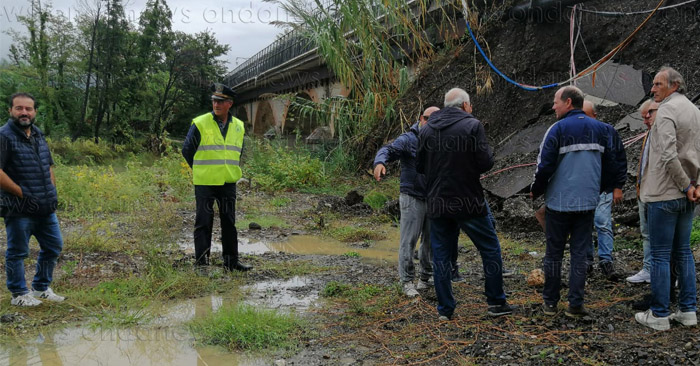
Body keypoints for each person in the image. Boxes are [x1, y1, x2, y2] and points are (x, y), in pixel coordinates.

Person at [417, 87, 514, 320]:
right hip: (468, 201)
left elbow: (420, 167)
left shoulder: (427, 130)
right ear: (465, 105)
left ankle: (445, 310)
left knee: (441, 255)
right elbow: (485, 163)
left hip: (438, 203)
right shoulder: (472, 126)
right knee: (489, 249)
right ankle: (496, 303)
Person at [530, 86, 614, 318]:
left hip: (559, 203)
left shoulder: (557, 129)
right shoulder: (601, 129)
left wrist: (535, 190)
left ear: (568, 102)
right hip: (587, 203)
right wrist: (600, 189)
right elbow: (610, 164)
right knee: (579, 253)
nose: (553, 106)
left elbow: (544, 165)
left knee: (554, 253)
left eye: (556, 102)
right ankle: (575, 304)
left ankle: (550, 303)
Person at [636, 67, 699, 330]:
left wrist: (685, 185)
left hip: (665, 193)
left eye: (658, 84)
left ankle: (659, 314)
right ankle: (688, 311)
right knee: (684, 253)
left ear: (674, 85)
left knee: (660, 256)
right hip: (689, 194)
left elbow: (668, 156)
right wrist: (695, 185)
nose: (653, 89)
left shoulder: (665, 113)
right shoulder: (695, 111)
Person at [1, 92, 65, 306]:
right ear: (10, 110)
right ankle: (18, 294)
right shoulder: (4, 136)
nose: (24, 112)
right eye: (19, 108)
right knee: (17, 252)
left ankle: (40, 288)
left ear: (35, 112)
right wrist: (23, 193)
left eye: (28, 109)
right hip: (18, 207)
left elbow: (48, 165)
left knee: (54, 246)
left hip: (45, 206)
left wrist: (51, 192)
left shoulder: (38, 134)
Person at [182, 83, 251, 272]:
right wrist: (199, 169)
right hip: (205, 182)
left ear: (229, 103)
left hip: (228, 182)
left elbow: (238, 151)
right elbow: (187, 150)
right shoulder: (201, 122)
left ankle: (231, 262)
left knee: (229, 221)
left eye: (221, 101)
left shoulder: (238, 126)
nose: (216, 104)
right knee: (203, 221)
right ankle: (202, 264)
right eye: (214, 101)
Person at [373, 106, 439, 297]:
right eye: (429, 120)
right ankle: (407, 281)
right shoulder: (409, 139)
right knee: (409, 240)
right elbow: (389, 149)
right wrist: (380, 162)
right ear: (422, 119)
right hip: (412, 197)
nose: (433, 125)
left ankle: (425, 278)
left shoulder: (441, 140)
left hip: (433, 196)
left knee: (431, 240)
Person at [583, 100, 627, 280]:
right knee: (583, 226)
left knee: (603, 223)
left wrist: (618, 186)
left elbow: (620, 159)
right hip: (583, 189)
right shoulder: (575, 133)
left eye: (585, 114)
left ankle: (606, 260)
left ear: (594, 115)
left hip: (605, 188)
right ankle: (586, 262)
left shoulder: (609, 131)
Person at [626, 99, 659, 284]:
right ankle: (648, 268)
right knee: (646, 233)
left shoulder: (665, 133)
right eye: (643, 117)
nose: (645, 120)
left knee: (662, 237)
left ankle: (670, 273)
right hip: (644, 192)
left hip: (658, 193)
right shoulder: (648, 134)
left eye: (648, 115)